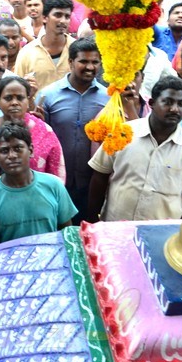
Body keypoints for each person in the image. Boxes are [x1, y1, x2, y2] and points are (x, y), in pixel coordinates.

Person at [86, 76, 182, 222]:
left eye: (181, 104)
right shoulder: (122, 133)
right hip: (115, 228)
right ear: (152, 103)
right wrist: (93, 222)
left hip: (162, 235)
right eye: (167, 102)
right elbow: (99, 177)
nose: (174, 109)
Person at [37, 38, 108, 223]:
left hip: (92, 182)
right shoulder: (49, 95)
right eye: (83, 61)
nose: (90, 67)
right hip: (57, 182)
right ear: (70, 63)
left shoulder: (107, 98)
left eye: (95, 62)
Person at [0, 123, 76, 243]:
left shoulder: (54, 185)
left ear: (30, 151)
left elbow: (68, 233)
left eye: (18, 149)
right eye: (4, 151)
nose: (12, 156)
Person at [0, 75, 65, 182]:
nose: (15, 102)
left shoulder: (44, 131)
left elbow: (57, 172)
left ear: (28, 100)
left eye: (20, 98)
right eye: (8, 98)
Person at [14, 0, 75, 90]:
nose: (63, 21)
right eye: (58, 15)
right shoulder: (27, 53)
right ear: (44, 18)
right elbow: (17, 89)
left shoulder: (77, 50)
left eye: (67, 16)